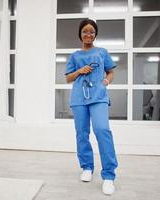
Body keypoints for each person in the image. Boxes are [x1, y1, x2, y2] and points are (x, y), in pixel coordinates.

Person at [65, 18, 118, 195]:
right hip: (79, 97)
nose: (88, 34)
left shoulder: (102, 52)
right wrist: (80, 71)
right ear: (80, 34)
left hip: (98, 96)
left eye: (92, 32)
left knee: (102, 130)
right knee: (82, 133)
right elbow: (68, 78)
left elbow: (111, 71)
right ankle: (87, 167)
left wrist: (104, 82)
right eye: (85, 31)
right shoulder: (74, 56)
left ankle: (109, 176)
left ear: (95, 34)